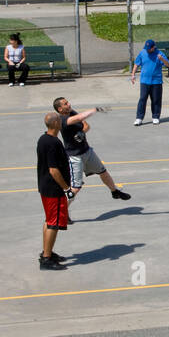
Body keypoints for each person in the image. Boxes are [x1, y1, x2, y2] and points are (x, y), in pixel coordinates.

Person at [52, 97, 132, 202]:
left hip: (87, 151)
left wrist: (82, 132)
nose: (69, 104)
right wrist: (95, 110)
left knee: (103, 172)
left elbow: (86, 126)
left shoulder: (71, 113)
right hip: (75, 157)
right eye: (65, 104)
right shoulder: (62, 120)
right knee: (76, 187)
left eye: (68, 102)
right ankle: (63, 213)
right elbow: (80, 117)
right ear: (60, 109)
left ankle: (114, 192)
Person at [37, 111, 76, 270]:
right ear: (54, 124)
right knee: (53, 223)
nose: (62, 122)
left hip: (45, 187)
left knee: (49, 220)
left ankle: (47, 252)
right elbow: (54, 170)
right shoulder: (53, 143)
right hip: (54, 189)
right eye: (60, 120)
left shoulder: (43, 138)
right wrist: (66, 189)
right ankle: (46, 259)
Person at [129, 39, 169, 125]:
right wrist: (133, 74)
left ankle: (155, 116)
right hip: (144, 81)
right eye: (146, 48)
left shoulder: (160, 54)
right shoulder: (143, 52)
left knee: (156, 100)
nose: (147, 50)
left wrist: (162, 59)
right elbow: (136, 63)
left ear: (153, 47)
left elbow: (168, 64)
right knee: (142, 99)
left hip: (156, 81)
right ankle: (139, 118)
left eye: (149, 48)